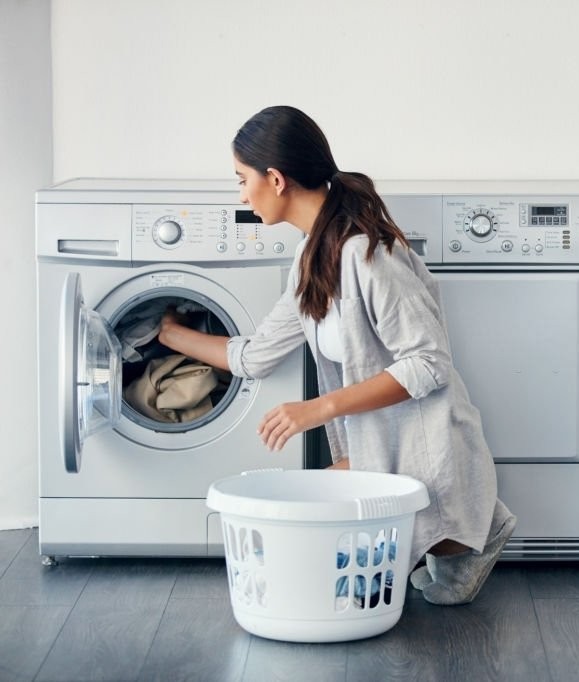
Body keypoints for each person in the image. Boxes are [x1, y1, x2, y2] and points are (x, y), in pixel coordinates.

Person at [158, 105, 516, 605]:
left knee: (317, 559)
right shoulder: (311, 258)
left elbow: (429, 363)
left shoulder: (368, 255)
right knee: (306, 548)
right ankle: (456, 535)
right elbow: (256, 355)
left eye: (242, 180)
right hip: (377, 448)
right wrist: (169, 333)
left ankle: (473, 534)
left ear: (276, 179)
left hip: (422, 444)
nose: (241, 195)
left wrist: (319, 408)